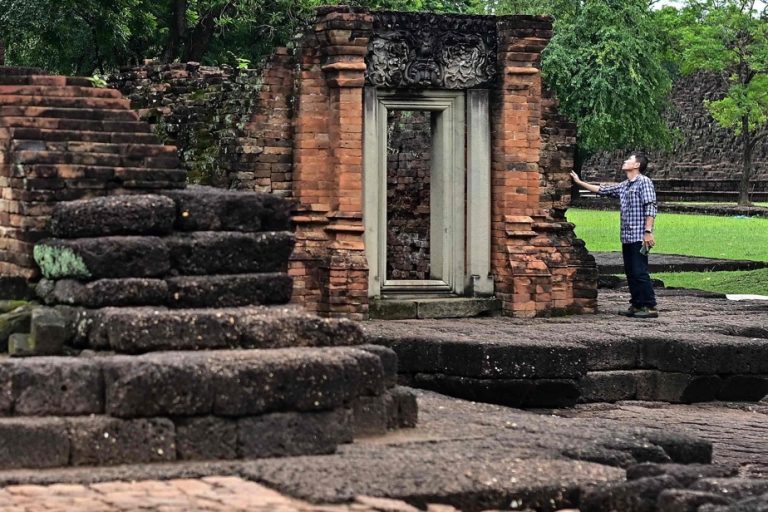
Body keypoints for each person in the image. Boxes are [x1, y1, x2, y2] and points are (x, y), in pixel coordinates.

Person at [571, 153, 659, 318]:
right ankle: (637, 304)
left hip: (639, 237)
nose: (625, 161)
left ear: (637, 165)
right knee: (631, 272)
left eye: (629, 160)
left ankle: (649, 306)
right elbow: (602, 190)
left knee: (639, 271)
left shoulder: (644, 182)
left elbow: (650, 207)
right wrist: (579, 182)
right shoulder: (625, 185)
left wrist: (648, 232)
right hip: (627, 236)